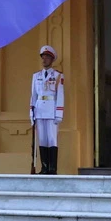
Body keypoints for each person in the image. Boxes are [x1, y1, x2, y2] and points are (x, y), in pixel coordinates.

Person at [29, 45, 64, 174]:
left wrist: (59, 113)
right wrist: (31, 112)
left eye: (47, 58)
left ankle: (52, 168)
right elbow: (33, 95)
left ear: (52, 59)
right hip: (39, 110)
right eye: (43, 57)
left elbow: (60, 95)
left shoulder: (58, 76)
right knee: (42, 139)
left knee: (52, 139)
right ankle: (44, 167)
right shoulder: (36, 76)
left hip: (51, 110)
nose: (44, 60)